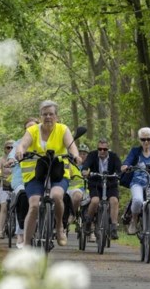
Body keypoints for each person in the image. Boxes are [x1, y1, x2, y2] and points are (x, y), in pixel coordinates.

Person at [15, 100, 83, 247]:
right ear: (40, 117)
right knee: (33, 205)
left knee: (57, 196)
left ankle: (59, 228)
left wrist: (76, 156)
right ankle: (26, 244)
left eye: (51, 114)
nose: (48, 117)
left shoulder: (63, 129)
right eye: (44, 114)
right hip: (35, 174)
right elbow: (23, 144)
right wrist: (20, 150)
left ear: (56, 116)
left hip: (58, 171)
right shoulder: (32, 131)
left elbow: (72, 147)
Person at [7, 117, 39, 248]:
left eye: (34, 127)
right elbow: (12, 155)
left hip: (39, 178)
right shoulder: (18, 143)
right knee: (23, 196)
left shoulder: (44, 143)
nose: (31, 130)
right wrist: (11, 160)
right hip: (21, 179)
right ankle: (20, 233)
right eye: (28, 128)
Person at [82, 138, 122, 240]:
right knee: (95, 201)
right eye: (100, 149)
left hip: (110, 184)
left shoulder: (114, 156)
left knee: (114, 201)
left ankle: (113, 228)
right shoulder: (92, 155)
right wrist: (85, 171)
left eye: (105, 149)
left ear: (108, 149)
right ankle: (88, 222)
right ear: (97, 148)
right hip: (95, 183)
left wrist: (119, 174)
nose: (102, 151)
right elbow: (86, 165)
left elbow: (119, 168)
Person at [0, 139, 15, 239]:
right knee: (4, 207)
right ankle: (1, 231)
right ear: (5, 149)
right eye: (8, 147)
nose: (10, 149)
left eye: (12, 147)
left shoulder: (19, 158)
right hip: (5, 185)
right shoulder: (2, 160)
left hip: (17, 184)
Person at [65, 143, 89, 228]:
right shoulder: (71, 164)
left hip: (86, 190)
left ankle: (90, 227)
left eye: (84, 154)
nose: (82, 156)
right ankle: (71, 214)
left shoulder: (89, 166)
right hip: (71, 189)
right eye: (80, 153)